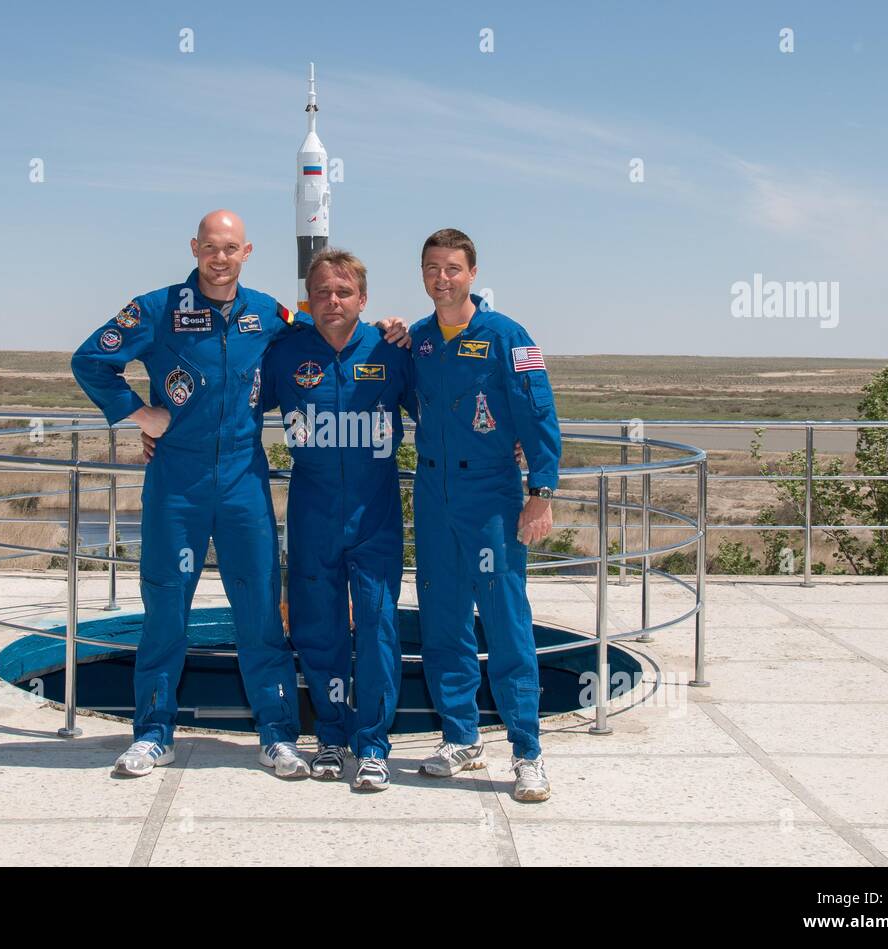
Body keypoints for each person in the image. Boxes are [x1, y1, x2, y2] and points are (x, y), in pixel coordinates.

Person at [71, 210, 408, 779]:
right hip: (176, 483)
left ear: (246, 252)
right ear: (194, 248)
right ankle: (153, 734)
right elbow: (90, 361)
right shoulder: (157, 309)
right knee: (165, 609)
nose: (220, 258)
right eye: (211, 247)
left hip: (243, 481)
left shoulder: (269, 314)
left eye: (231, 248)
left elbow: (328, 333)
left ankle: (277, 735)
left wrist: (389, 327)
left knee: (259, 612)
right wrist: (140, 415)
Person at [408, 228, 562, 802]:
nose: (441, 278)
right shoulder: (419, 341)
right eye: (432, 268)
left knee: (505, 620)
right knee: (442, 618)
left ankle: (528, 751)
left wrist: (541, 490)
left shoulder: (506, 336)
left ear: (472, 273)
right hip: (432, 492)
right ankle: (461, 737)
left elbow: (538, 413)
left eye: (452, 268)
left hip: (491, 495)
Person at [257, 249, 415, 792]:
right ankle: (329, 736)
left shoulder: (392, 349)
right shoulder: (285, 354)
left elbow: (445, 407)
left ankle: (372, 745)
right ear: (309, 299)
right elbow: (230, 405)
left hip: (375, 514)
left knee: (377, 626)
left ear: (363, 299)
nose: (332, 301)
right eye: (322, 292)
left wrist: (510, 442)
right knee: (317, 628)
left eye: (343, 292)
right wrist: (160, 428)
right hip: (312, 512)